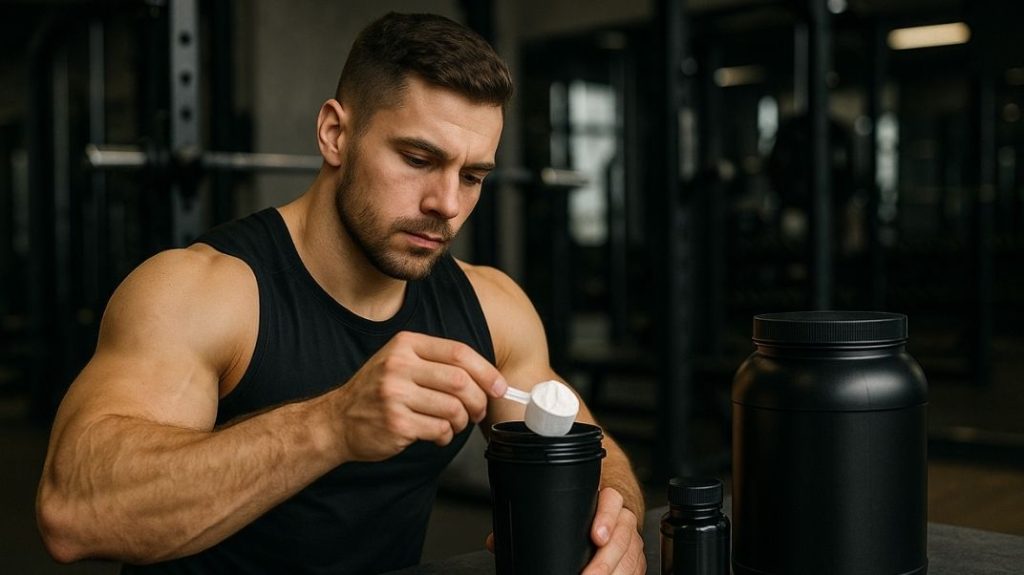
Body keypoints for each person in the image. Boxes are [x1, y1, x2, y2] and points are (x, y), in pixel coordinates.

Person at [36, 11, 646, 574]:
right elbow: (74, 513)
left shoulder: (490, 307)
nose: (447, 203)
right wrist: (330, 426)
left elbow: (584, 450)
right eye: (417, 158)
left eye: (471, 176)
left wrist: (616, 518)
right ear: (335, 133)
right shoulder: (205, 292)